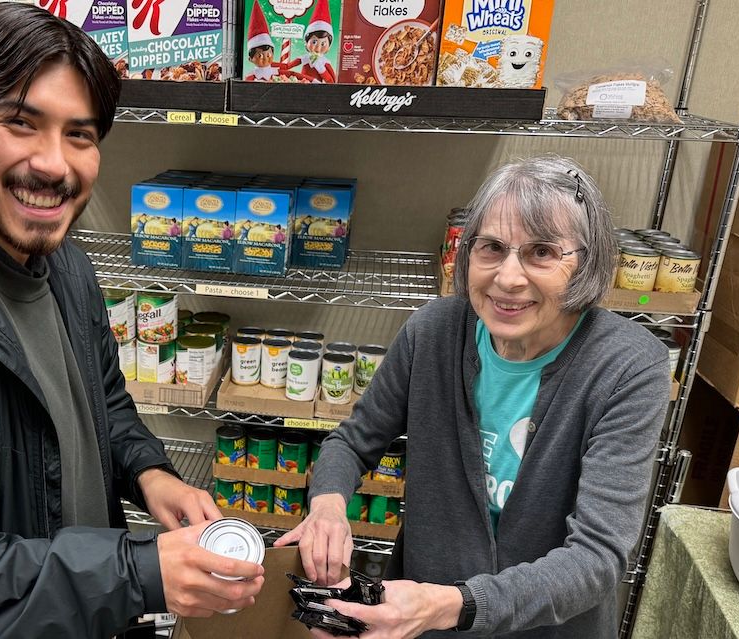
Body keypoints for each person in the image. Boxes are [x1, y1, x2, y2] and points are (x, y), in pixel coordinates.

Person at [0, 5, 263, 638]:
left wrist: (148, 471)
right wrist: (136, 573)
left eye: (80, 135)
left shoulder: (55, 254)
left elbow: (100, 399)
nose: (54, 164)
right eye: (20, 123)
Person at [277, 156, 669, 638]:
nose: (507, 278)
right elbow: (354, 442)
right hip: (423, 615)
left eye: (541, 252)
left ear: (587, 263)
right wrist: (328, 505)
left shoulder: (628, 366)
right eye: (492, 248)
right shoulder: (434, 332)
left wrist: (454, 604)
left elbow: (597, 557)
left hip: (547, 626)